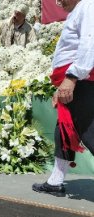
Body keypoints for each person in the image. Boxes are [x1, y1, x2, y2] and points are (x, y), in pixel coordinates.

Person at [32, 0, 94, 195]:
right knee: (63, 130)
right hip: (72, 79)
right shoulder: (77, 11)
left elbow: (89, 42)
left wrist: (72, 77)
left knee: (88, 131)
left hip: (79, 80)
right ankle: (55, 181)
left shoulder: (87, 5)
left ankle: (55, 181)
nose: (58, 2)